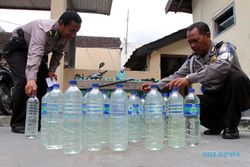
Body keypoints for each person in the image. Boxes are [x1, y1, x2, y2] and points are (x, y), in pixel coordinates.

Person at [141, 22, 250, 139]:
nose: (192, 45)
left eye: (195, 40)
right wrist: (156, 86)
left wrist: (189, 78)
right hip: (215, 98)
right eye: (189, 42)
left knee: (236, 77)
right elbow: (177, 75)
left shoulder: (225, 48)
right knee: (190, 102)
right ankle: (217, 126)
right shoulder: (192, 59)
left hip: (236, 95)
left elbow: (221, 67)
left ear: (207, 36)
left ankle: (231, 127)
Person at [3, 11, 82, 133]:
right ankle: (18, 123)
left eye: (76, 32)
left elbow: (58, 53)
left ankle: (37, 121)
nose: (73, 35)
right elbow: (35, 54)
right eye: (72, 30)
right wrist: (31, 80)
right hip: (17, 49)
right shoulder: (41, 29)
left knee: (45, 81)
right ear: (61, 24)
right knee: (25, 79)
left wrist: (51, 71)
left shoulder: (65, 36)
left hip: (33, 53)